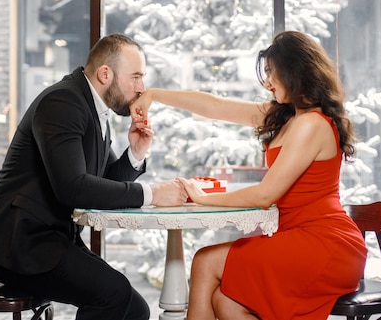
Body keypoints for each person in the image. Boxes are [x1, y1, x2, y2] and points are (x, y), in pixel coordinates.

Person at [130, 30, 368, 320]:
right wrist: (155, 95)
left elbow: (265, 195)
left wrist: (202, 198)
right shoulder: (286, 116)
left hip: (326, 244)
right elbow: (214, 106)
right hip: (302, 236)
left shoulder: (312, 124)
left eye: (271, 72)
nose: (266, 82)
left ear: (294, 71)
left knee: (205, 261)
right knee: (224, 302)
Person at [0, 33, 188, 320]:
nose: (142, 88)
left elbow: (107, 179)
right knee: (113, 295)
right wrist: (152, 194)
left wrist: (135, 153)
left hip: (51, 238)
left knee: (135, 309)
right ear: (105, 74)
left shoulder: (93, 108)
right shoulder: (63, 102)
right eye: (136, 77)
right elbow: (73, 188)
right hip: (18, 243)